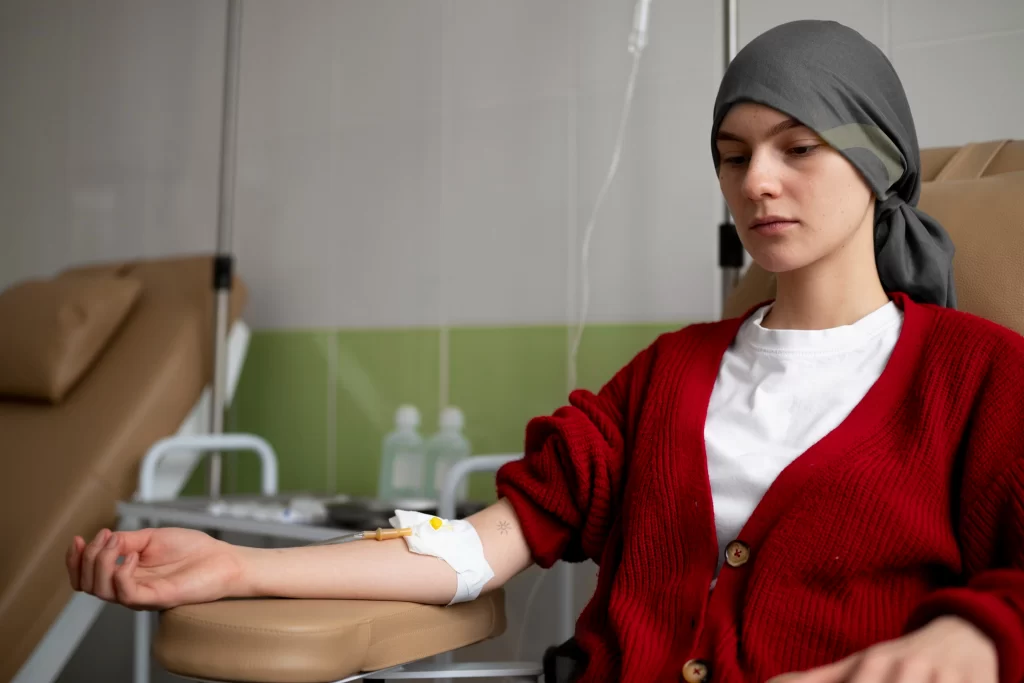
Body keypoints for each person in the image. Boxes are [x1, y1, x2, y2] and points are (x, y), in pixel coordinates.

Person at [66, 19, 1024, 683]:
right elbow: (481, 545)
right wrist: (236, 565)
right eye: (733, 155)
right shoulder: (668, 374)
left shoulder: (977, 378)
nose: (757, 182)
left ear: (877, 161)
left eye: (797, 146)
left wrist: (969, 641)